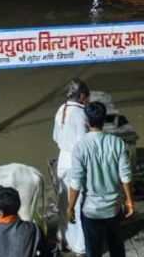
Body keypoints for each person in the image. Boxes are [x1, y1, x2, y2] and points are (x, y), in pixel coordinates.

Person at [67, 101, 134, 257]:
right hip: (114, 208)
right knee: (117, 248)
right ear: (104, 120)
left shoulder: (80, 147)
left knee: (93, 251)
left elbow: (75, 182)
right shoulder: (118, 143)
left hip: (91, 211)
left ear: (86, 121)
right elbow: (126, 176)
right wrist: (129, 201)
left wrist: (70, 208)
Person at [52, 78, 90, 254]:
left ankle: (63, 238)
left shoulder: (62, 109)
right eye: (87, 97)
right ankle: (80, 245)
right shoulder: (80, 113)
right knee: (77, 204)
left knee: (63, 202)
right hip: (75, 162)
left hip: (62, 160)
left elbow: (55, 137)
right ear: (82, 96)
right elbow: (83, 143)